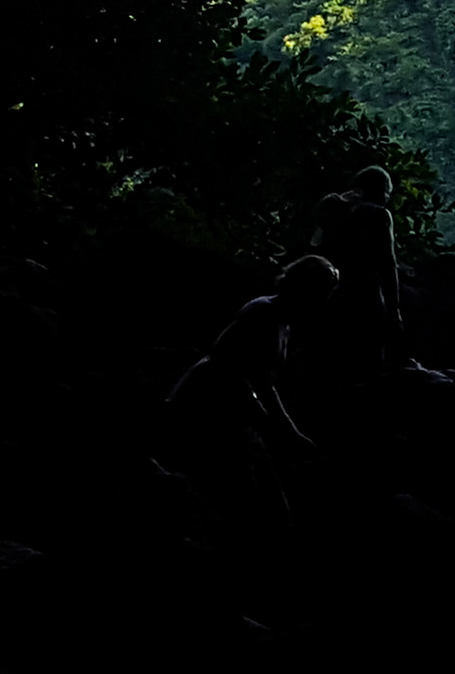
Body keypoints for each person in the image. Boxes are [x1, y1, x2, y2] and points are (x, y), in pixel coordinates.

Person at [162, 256, 338, 529]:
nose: (322, 305)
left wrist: (290, 432)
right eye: (320, 296)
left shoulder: (281, 322)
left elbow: (264, 382)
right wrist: (271, 426)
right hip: (207, 409)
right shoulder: (263, 316)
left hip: (230, 413)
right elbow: (232, 374)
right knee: (243, 502)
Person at [310, 164, 404, 374]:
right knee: (368, 366)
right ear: (379, 191)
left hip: (326, 294)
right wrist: (394, 310)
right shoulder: (379, 215)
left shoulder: (329, 205)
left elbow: (314, 245)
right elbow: (388, 264)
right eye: (387, 193)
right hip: (366, 298)